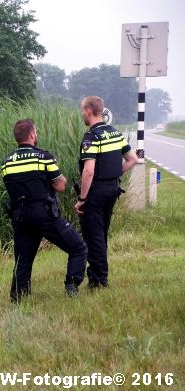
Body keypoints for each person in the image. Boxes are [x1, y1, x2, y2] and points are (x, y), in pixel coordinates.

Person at [2, 119, 88, 303]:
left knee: (23, 259)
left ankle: (19, 297)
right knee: (78, 247)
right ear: (32, 135)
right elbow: (60, 185)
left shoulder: (6, 162)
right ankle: (71, 285)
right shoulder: (43, 157)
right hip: (45, 215)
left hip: (20, 217)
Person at [75, 96, 138, 289]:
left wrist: (82, 198)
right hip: (112, 189)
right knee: (101, 234)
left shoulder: (92, 137)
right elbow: (132, 159)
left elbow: (88, 171)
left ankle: (98, 280)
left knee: (93, 236)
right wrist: (114, 174)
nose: (81, 113)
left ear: (88, 111)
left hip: (95, 193)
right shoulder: (115, 133)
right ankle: (99, 275)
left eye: (82, 110)